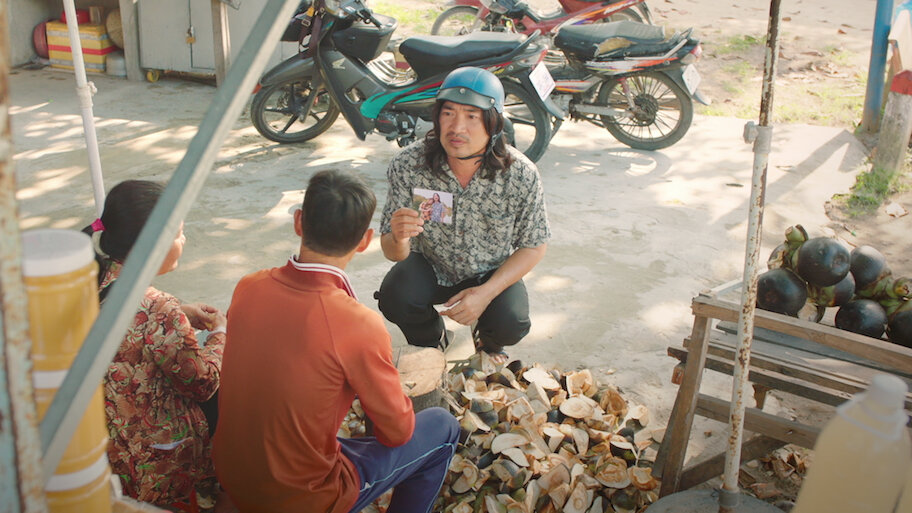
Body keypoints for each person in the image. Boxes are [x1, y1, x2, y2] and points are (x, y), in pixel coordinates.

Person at [213, 169, 459, 513]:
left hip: (231, 474)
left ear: (298, 222)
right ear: (365, 240)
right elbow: (397, 432)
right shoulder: (359, 324)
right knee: (444, 427)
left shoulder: (248, 286)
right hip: (305, 498)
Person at [376, 66, 550, 364]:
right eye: (448, 113)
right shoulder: (408, 164)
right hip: (431, 265)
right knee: (395, 296)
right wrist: (399, 237)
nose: (457, 127)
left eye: (472, 116)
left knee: (512, 322)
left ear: (494, 123)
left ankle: (488, 342)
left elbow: (534, 246)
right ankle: (432, 339)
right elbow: (392, 252)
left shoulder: (520, 174)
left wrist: (485, 294)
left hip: (489, 270)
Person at [82, 180, 227, 509]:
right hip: (156, 453)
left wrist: (180, 312)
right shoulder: (158, 308)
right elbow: (202, 383)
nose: (184, 240)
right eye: (178, 234)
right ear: (153, 245)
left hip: (104, 441)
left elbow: (130, 322)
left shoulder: (93, 276)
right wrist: (220, 334)